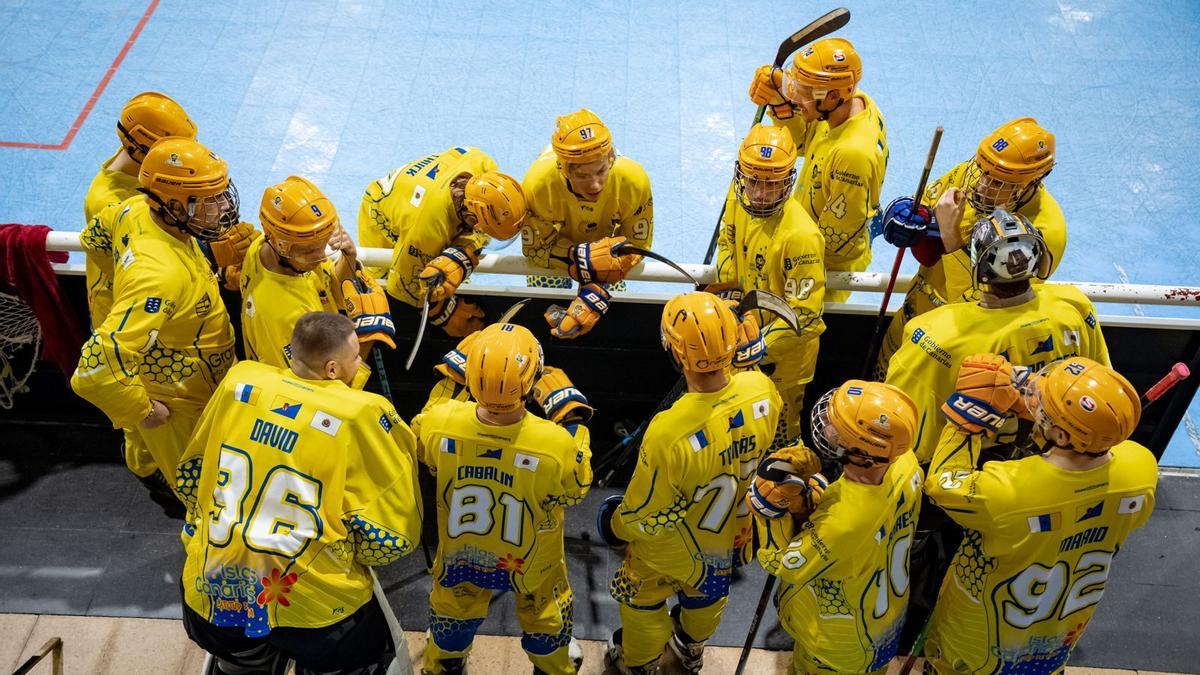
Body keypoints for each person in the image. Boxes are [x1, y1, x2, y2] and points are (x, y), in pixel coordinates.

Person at [177, 312, 422, 675]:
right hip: (318, 613)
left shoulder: (240, 382)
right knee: (358, 660)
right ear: (335, 369)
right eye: (358, 356)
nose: (362, 362)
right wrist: (345, 550)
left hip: (211, 593)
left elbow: (191, 476)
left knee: (238, 662)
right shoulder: (364, 414)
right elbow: (394, 537)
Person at [923, 354, 1157, 672]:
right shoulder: (1141, 465)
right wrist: (1036, 410)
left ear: (1061, 435)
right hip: (1054, 640)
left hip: (977, 645)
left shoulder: (1008, 490)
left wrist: (966, 420)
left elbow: (943, 484)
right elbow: (1072, 455)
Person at [598, 292, 780, 674]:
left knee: (641, 600)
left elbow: (645, 514)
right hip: (732, 535)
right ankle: (689, 648)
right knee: (708, 597)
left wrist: (614, 524)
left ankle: (639, 663)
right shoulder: (763, 391)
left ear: (676, 354)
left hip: (673, 549)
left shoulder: (669, 430)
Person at [412, 322, 593, 674]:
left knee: (451, 619)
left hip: (461, 552)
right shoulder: (555, 442)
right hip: (532, 560)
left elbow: (420, 437)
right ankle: (552, 667)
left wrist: (450, 383)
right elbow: (577, 488)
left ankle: (444, 665)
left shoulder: (439, 421)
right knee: (545, 619)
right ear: (533, 378)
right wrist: (573, 419)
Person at [71, 137, 239, 507]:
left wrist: (124, 285)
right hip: (182, 404)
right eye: (209, 199)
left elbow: (93, 238)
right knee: (206, 499)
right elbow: (94, 370)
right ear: (171, 203)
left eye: (222, 193)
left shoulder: (134, 209)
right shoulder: (157, 278)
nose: (224, 206)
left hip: (199, 384)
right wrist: (141, 411)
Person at [883, 209, 1108, 466]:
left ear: (978, 265)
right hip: (1056, 453)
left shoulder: (934, 333)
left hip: (968, 464)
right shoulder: (1075, 304)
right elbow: (1096, 375)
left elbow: (904, 426)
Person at [751, 380, 923, 673]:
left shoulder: (843, 523)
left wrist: (767, 510)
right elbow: (859, 516)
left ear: (865, 453)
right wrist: (820, 496)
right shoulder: (905, 462)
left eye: (839, 429)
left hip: (837, 646)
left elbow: (785, 564)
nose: (828, 427)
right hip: (880, 624)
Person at [875, 117, 1062, 376]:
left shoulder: (1042, 235)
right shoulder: (971, 174)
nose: (979, 185)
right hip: (912, 315)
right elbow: (928, 233)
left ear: (1031, 182)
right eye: (982, 171)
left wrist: (951, 238)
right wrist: (914, 219)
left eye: (997, 182)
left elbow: (992, 311)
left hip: (954, 349)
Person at [747, 37, 888, 302]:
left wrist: (776, 255)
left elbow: (834, 243)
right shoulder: (851, 103)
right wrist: (780, 100)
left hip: (818, 273)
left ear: (833, 96)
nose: (795, 97)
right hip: (803, 234)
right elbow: (804, 142)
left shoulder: (852, 155)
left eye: (803, 90)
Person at [716, 123, 826, 445]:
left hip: (783, 362)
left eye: (773, 184)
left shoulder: (802, 237)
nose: (761, 194)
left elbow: (804, 316)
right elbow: (727, 242)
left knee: (777, 433)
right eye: (753, 182)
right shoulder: (737, 197)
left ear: (789, 181)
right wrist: (732, 299)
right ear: (741, 175)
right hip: (740, 338)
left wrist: (760, 344)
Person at [241, 175, 395, 389]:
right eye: (312, 250)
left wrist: (348, 258)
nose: (322, 257)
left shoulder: (265, 247)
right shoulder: (283, 316)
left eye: (323, 245)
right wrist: (368, 336)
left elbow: (327, 284)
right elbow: (317, 393)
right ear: (283, 245)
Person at [357, 147, 526, 337]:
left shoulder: (484, 166)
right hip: (382, 213)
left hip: (421, 191)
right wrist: (443, 312)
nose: (485, 238)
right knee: (381, 279)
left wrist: (461, 250)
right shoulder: (428, 228)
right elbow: (405, 289)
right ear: (472, 217)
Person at [523, 108, 652, 339]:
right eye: (583, 176)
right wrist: (585, 261)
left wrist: (597, 273)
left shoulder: (634, 180)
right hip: (559, 257)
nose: (595, 185)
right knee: (542, 308)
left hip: (596, 253)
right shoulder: (537, 186)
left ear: (610, 158)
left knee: (611, 316)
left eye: (602, 171)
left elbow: (638, 245)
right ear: (563, 169)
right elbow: (535, 249)